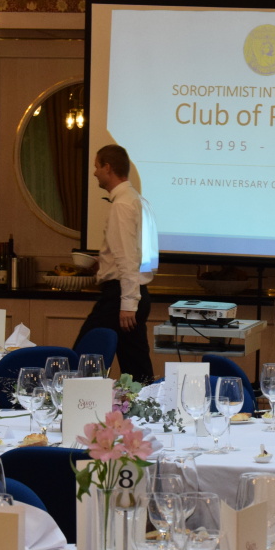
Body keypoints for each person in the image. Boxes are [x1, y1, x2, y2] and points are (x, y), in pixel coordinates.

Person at [75, 144, 159, 382]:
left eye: (96, 167)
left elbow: (127, 259)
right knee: (137, 368)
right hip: (134, 293)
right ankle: (146, 403)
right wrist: (103, 263)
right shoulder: (139, 201)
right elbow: (143, 256)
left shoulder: (122, 204)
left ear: (108, 168)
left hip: (119, 296)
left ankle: (75, 402)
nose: (94, 173)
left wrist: (128, 303)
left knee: (83, 361)